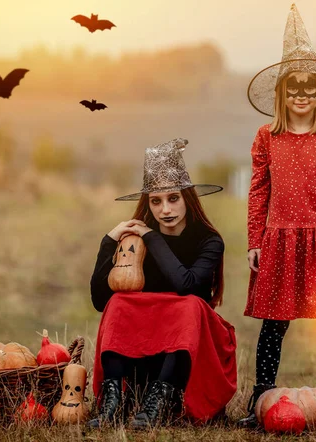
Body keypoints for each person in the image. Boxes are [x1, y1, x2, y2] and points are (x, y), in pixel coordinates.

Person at [238, 4, 316, 428]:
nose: (302, 96)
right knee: (274, 326)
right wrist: (255, 240)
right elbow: (258, 191)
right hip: (278, 239)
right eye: (294, 88)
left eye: (310, 88)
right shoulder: (266, 137)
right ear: (281, 93)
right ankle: (259, 404)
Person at [88, 138, 237, 429]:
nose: (165, 209)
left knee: (190, 305)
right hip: (146, 349)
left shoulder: (209, 240)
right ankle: (113, 400)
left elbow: (186, 285)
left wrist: (152, 237)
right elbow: (100, 302)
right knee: (119, 301)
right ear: (148, 204)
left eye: (173, 198)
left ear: (187, 198)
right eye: (156, 201)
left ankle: (161, 401)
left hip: (187, 351)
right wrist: (109, 242)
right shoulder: (136, 241)